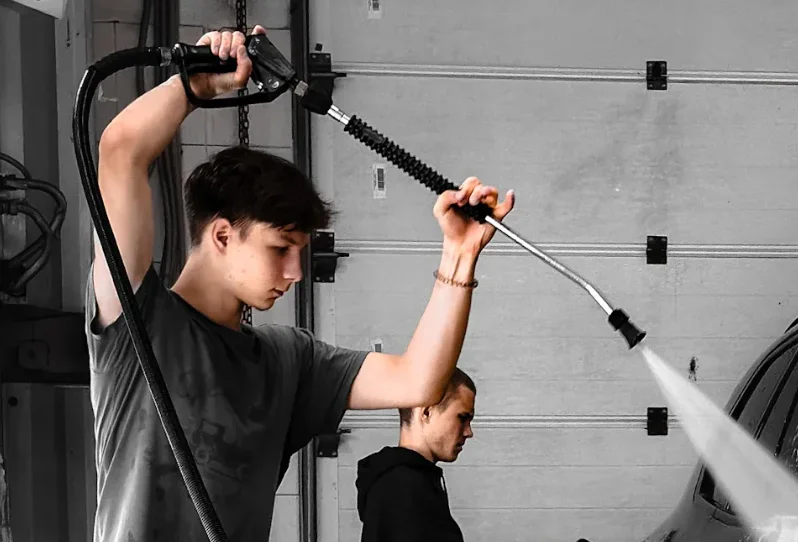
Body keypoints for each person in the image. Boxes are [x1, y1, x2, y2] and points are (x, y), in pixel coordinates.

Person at [85, 25, 513, 542]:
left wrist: (460, 254)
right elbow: (120, 151)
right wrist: (195, 87)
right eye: (279, 248)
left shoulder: (289, 361)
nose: (294, 273)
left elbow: (417, 381)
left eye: (301, 253)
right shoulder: (136, 321)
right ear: (222, 235)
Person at [355, 368, 477, 542]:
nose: (468, 432)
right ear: (426, 412)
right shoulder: (404, 487)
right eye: (462, 418)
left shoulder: (409, 479)